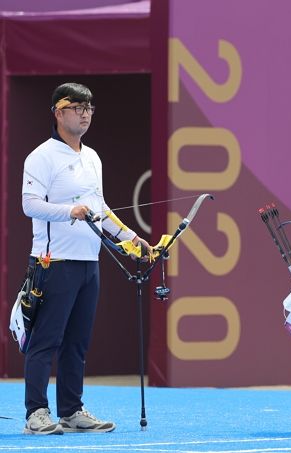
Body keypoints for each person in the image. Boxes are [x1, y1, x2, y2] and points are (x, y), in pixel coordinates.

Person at [21, 83, 151, 435]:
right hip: (53, 261)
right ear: (58, 112)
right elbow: (29, 205)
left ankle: (71, 410)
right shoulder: (41, 156)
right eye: (77, 106)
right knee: (46, 340)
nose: (85, 113)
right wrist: (70, 211)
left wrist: (130, 238)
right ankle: (36, 413)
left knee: (77, 342)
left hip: (87, 263)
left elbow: (102, 208)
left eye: (90, 107)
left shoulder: (92, 157)